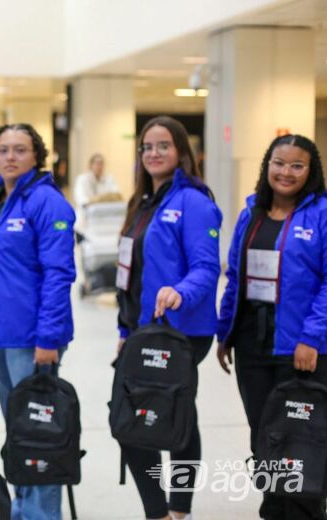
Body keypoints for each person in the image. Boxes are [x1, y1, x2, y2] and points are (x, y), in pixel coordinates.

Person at [115, 116, 222, 520]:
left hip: (180, 332)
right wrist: (124, 329)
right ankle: (159, 512)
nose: (153, 153)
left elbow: (206, 267)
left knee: (175, 420)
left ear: (181, 151)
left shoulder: (195, 201)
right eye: (147, 146)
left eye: (163, 145)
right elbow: (131, 273)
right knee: (131, 420)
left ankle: (177, 511)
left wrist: (181, 292)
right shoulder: (142, 203)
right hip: (143, 331)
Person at [217, 134, 327, 520]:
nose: (286, 172)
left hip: (299, 349)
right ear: (267, 166)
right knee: (263, 437)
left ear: (310, 172)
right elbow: (235, 277)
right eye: (279, 163)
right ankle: (274, 511)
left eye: (297, 165)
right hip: (252, 345)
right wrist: (224, 333)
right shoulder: (252, 214)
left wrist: (312, 338)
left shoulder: (322, 214)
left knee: (301, 442)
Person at [0, 123, 75, 520]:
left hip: (33, 337)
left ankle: (41, 514)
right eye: (3, 150)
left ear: (37, 156)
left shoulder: (47, 202)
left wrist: (48, 339)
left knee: (39, 434)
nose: (10, 157)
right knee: (20, 431)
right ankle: (23, 510)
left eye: (20, 149)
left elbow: (58, 274)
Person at [73, 153, 120, 235]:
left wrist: (96, 200)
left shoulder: (109, 179)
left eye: (101, 164)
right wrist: (104, 198)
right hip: (83, 223)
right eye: (97, 163)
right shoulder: (82, 179)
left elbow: (117, 196)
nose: (99, 166)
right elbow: (83, 201)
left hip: (102, 223)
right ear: (90, 165)